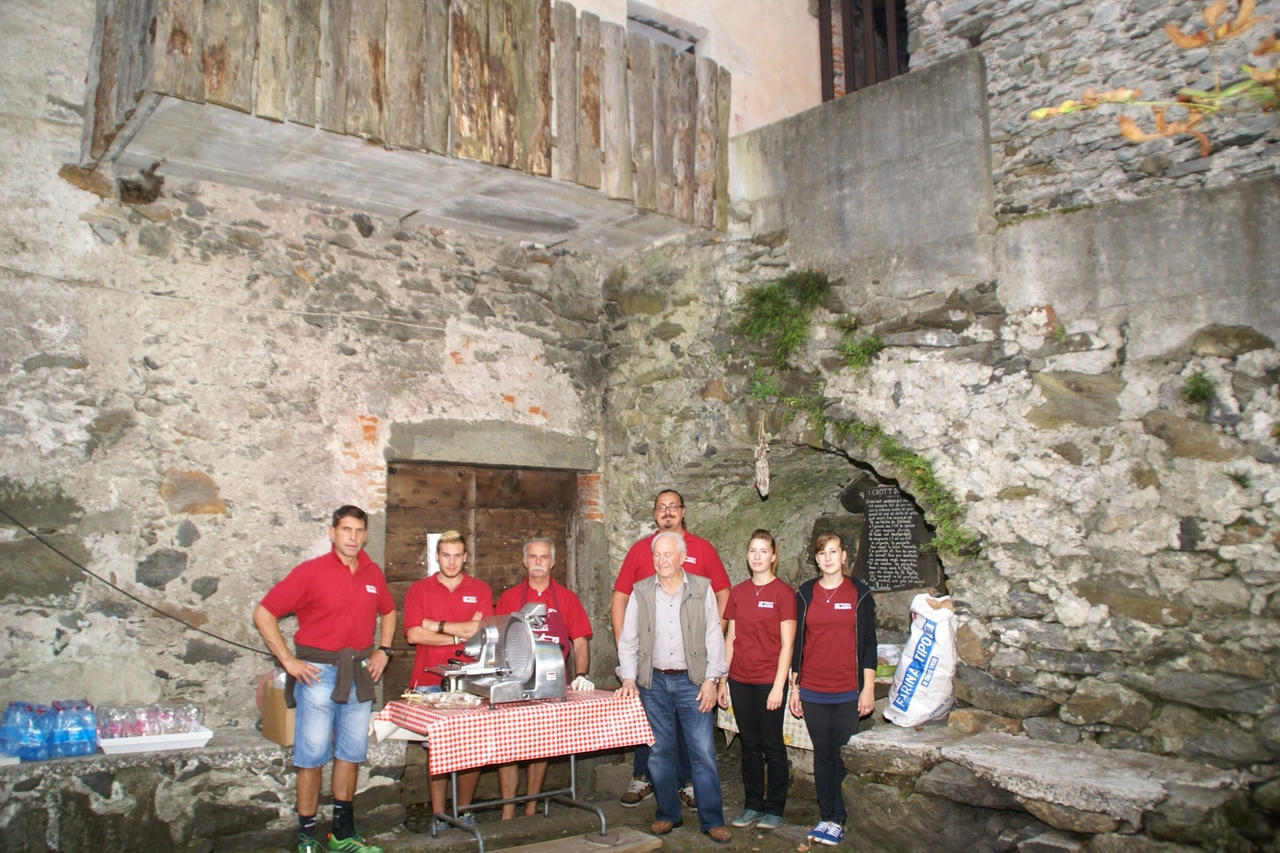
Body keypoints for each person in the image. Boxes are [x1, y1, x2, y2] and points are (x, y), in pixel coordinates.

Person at [253, 505, 397, 853]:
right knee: (312, 756)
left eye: (359, 530)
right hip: (317, 675)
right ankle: (306, 840)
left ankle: (342, 836)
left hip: (359, 674)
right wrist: (288, 661)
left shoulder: (371, 572)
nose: (353, 537)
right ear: (332, 532)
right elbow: (263, 613)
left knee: (350, 754)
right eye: (346, 530)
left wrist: (384, 650)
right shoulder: (310, 572)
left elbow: (389, 611)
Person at [609, 489, 731, 810]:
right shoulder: (639, 550)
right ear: (654, 514)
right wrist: (629, 652)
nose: (667, 513)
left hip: (691, 663)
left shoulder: (702, 549)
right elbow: (621, 598)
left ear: (683, 511)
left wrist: (710, 640)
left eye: (673, 507)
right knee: (650, 729)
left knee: (695, 737)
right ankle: (645, 778)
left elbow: (722, 592)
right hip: (652, 663)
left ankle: (690, 786)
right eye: (661, 508)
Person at [495, 537, 596, 819]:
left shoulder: (566, 598)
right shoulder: (508, 599)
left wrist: (581, 674)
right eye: (533, 557)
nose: (538, 563)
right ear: (524, 561)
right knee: (508, 747)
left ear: (552, 562)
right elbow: (498, 642)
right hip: (513, 685)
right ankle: (507, 812)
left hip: (551, 684)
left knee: (540, 746)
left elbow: (580, 640)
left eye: (543, 558)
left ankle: (530, 808)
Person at [788, 532, 877, 847]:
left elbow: (868, 645)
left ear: (843, 557)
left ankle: (840, 818)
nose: (828, 558)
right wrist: (795, 688)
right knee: (822, 755)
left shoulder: (860, 594)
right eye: (822, 552)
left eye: (833, 552)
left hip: (846, 690)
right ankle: (826, 816)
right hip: (812, 687)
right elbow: (798, 643)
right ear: (816, 559)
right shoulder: (805, 594)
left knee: (841, 754)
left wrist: (867, 689)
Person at [403, 530, 494, 829]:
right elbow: (415, 635)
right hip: (429, 680)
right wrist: (459, 632)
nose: (451, 561)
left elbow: (482, 631)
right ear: (437, 556)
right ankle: (438, 814)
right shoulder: (419, 590)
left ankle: (464, 809)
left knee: (473, 746)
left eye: (457, 555)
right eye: (446, 555)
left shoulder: (480, 589)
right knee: (437, 750)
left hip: (473, 679)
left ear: (465, 557)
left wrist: (439, 627)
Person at [717, 529, 796, 831]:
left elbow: (787, 644)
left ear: (774, 556)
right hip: (740, 678)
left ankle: (774, 809)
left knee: (772, 745)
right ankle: (752, 805)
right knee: (748, 744)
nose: (757, 556)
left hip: (768, 680)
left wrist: (779, 686)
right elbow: (731, 637)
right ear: (747, 556)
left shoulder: (784, 594)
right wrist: (722, 680)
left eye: (764, 551)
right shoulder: (738, 593)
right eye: (752, 551)